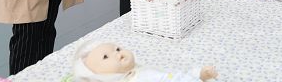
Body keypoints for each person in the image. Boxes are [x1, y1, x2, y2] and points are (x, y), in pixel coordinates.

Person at [71, 40, 217, 82]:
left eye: (117, 48)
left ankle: (199, 75)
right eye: (105, 57)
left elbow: (170, 75)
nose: (117, 53)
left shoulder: (138, 71)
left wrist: (198, 74)